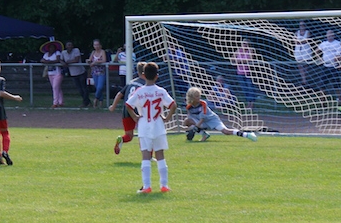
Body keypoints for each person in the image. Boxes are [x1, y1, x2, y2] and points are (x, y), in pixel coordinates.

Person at [124, 62, 176, 194]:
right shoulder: (160, 91)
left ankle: (147, 186)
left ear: (143, 75)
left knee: (146, 156)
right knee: (160, 155)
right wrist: (167, 117)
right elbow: (173, 105)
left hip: (144, 126)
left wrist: (135, 117)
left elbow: (128, 105)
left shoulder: (140, 92)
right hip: (158, 125)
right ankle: (164, 185)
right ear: (157, 76)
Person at [183, 87, 258, 143]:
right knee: (186, 121)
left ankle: (248, 135)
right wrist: (190, 129)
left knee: (226, 131)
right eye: (197, 96)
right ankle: (205, 135)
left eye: (199, 95)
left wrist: (195, 128)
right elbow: (190, 119)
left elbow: (203, 118)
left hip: (212, 120)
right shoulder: (189, 107)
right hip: (202, 122)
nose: (199, 97)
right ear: (192, 97)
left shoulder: (203, 104)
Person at [109, 62, 146, 155]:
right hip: (138, 110)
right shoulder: (145, 85)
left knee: (128, 136)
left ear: (137, 72)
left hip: (126, 110)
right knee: (145, 134)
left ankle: (121, 139)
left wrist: (113, 106)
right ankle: (147, 156)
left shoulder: (131, 82)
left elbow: (119, 94)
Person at [61, 41, 91, 108]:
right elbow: (60, 59)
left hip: (81, 72)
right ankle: (87, 102)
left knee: (84, 88)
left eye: (71, 45)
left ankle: (85, 102)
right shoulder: (63, 53)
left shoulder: (76, 50)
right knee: (80, 89)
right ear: (66, 46)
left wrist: (67, 62)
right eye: (68, 45)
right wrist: (63, 63)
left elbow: (76, 60)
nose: (70, 46)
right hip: (73, 73)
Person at [232, 38, 257, 109]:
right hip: (240, 72)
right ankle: (248, 103)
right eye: (243, 44)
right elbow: (232, 58)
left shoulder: (250, 50)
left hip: (248, 72)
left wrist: (240, 61)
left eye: (246, 44)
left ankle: (251, 104)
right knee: (244, 88)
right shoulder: (238, 50)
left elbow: (250, 59)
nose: (244, 45)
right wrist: (239, 61)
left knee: (250, 88)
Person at [316, 30, 341, 96]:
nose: (330, 36)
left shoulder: (338, 43)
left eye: (331, 34)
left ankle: (339, 100)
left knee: (336, 85)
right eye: (328, 34)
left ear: (334, 35)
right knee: (322, 85)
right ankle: (323, 101)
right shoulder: (323, 43)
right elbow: (316, 51)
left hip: (334, 66)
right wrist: (319, 58)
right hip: (325, 66)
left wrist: (339, 61)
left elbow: (340, 54)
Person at [40, 40, 64, 108]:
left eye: (53, 47)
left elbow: (57, 60)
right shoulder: (46, 54)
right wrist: (47, 61)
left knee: (55, 87)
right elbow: (42, 60)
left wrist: (48, 62)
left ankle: (55, 103)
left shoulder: (57, 53)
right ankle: (61, 101)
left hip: (58, 73)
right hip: (50, 73)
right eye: (50, 47)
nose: (51, 49)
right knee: (57, 88)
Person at [89, 39, 107, 108]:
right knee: (97, 87)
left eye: (97, 45)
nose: (96, 46)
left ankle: (96, 99)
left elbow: (104, 60)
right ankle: (101, 101)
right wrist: (89, 61)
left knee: (100, 87)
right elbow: (90, 59)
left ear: (100, 45)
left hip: (101, 72)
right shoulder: (93, 52)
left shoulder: (102, 52)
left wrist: (96, 62)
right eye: (95, 45)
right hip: (94, 72)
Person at [294, 21, 312, 85]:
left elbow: (306, 41)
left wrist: (300, 41)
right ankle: (303, 79)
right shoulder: (297, 33)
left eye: (303, 25)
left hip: (306, 50)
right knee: (299, 65)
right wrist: (301, 41)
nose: (302, 27)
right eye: (301, 25)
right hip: (298, 50)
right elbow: (295, 41)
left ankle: (305, 79)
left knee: (305, 65)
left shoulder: (307, 32)